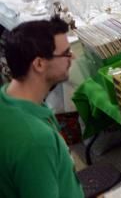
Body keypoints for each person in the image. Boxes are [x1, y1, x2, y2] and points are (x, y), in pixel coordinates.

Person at [0, 16, 84, 198]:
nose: (73, 57)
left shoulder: (5, 96)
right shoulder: (36, 141)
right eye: (66, 53)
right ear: (39, 64)